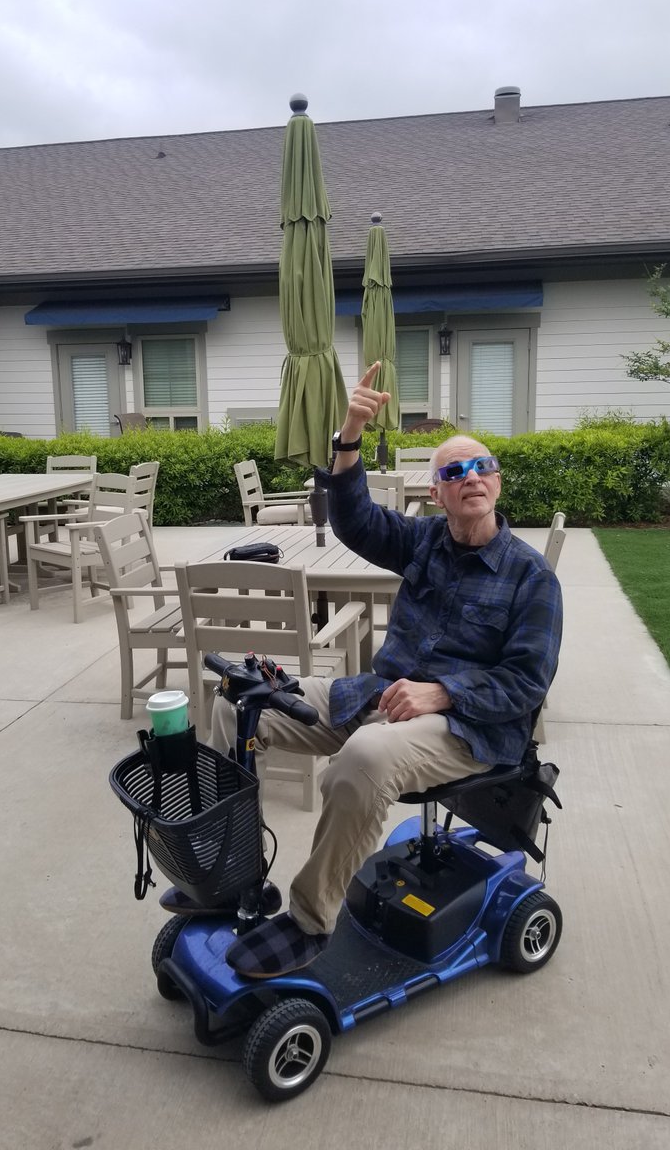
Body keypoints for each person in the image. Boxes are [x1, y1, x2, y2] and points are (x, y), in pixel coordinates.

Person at [171, 363, 564, 979]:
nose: (469, 478)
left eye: (479, 467)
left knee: (365, 758)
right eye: (452, 472)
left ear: (497, 482)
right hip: (377, 695)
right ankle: (228, 871)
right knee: (237, 702)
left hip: (471, 730)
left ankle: (308, 920)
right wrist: (350, 430)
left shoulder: (531, 577)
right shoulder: (424, 542)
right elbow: (353, 518)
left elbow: (527, 683)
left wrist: (443, 692)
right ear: (436, 492)